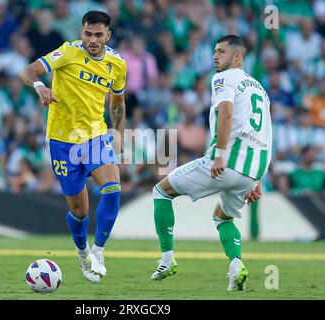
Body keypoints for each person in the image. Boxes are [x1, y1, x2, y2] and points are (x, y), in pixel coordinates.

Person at [151, 35, 271, 291]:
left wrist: (220, 155)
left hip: (225, 162)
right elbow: (264, 134)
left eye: (222, 52)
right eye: (214, 51)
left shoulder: (224, 78)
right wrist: (257, 178)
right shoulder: (260, 88)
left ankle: (167, 259)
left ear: (237, 57)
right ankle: (236, 266)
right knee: (222, 218)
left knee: (161, 190)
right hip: (251, 169)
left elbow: (226, 114)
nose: (215, 56)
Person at [19, 11, 126, 283]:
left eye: (98, 35)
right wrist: (41, 86)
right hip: (62, 140)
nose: (92, 40)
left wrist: (118, 132)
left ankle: (99, 253)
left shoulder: (117, 64)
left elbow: (118, 102)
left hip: (95, 136)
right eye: (88, 34)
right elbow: (28, 70)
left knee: (113, 188)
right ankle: (82, 252)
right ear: (82, 32)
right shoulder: (67, 52)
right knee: (80, 210)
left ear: (108, 36)